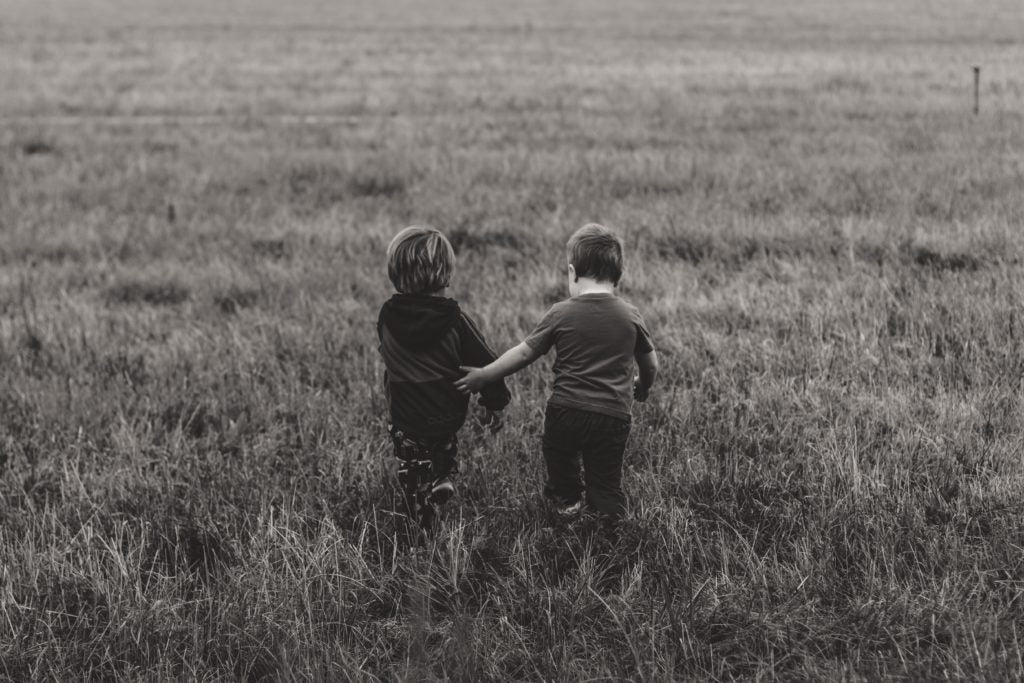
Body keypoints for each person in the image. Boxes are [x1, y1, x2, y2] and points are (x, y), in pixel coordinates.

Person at [456, 223, 657, 522]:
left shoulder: (560, 312)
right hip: (613, 416)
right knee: (605, 474)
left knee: (560, 458)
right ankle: (608, 514)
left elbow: (524, 352)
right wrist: (643, 385)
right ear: (620, 276)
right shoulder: (630, 315)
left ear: (573, 272)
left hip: (566, 411)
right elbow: (651, 363)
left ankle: (567, 502)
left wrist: (486, 374)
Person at [378, 226, 510, 530]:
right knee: (442, 440)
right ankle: (443, 475)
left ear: (395, 273)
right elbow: (486, 362)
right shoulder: (455, 320)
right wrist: (495, 401)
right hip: (446, 410)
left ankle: (420, 516)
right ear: (446, 274)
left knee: (412, 467)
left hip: (405, 414)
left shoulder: (387, 315)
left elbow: (385, 350)